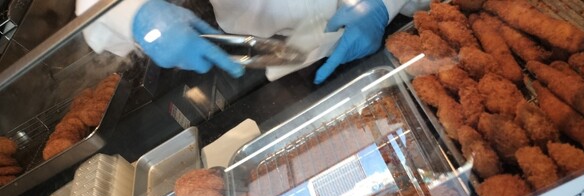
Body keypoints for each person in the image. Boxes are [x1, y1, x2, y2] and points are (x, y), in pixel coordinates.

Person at [75, 0, 430, 84]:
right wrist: (138, 14)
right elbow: (97, 7)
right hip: (270, 52)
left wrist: (382, 5)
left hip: (402, 26)